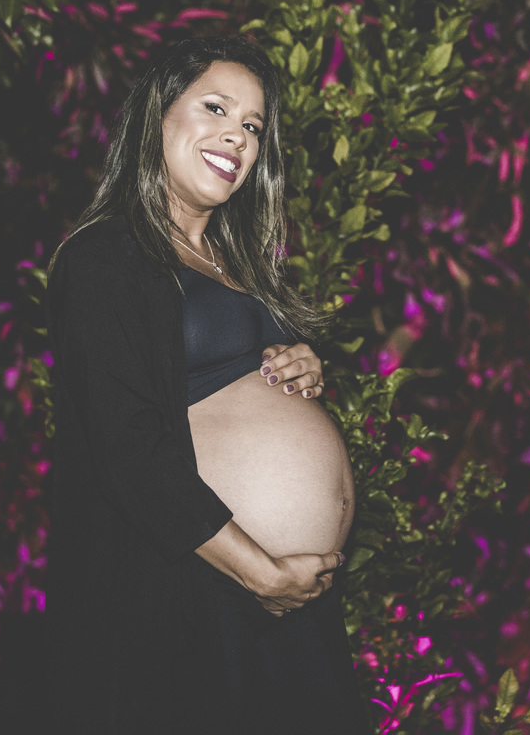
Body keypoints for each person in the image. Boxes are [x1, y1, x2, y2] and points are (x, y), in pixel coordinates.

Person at [45, 36, 366, 734]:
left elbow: (235, 388)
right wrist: (257, 571)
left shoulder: (239, 263)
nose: (238, 136)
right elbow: (126, 446)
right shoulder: (105, 257)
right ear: (157, 115)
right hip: (201, 594)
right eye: (216, 108)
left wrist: (302, 369)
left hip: (289, 602)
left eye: (252, 125)